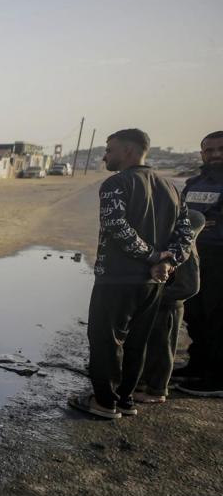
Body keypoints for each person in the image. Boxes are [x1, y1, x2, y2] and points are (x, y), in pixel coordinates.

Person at [69, 129, 192, 420]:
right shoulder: (171, 187)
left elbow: (116, 227)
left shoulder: (117, 183)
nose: (105, 156)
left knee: (106, 340)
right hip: (152, 282)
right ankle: (125, 399)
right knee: (138, 341)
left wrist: (153, 257)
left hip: (117, 277)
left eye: (109, 150)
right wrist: (167, 262)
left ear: (127, 151)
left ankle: (104, 402)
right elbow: (186, 235)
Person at [135, 210, 206, 403]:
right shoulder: (172, 239)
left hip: (168, 305)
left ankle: (156, 390)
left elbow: (190, 286)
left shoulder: (185, 248)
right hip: (158, 301)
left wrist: (160, 296)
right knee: (150, 346)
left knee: (162, 349)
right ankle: (143, 382)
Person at [172, 130, 223, 397]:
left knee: (218, 318)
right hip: (195, 255)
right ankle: (199, 365)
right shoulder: (195, 183)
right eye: (209, 150)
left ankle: (217, 378)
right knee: (196, 314)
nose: (215, 155)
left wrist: (208, 221)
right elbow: (183, 215)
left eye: (220, 150)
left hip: (220, 257)